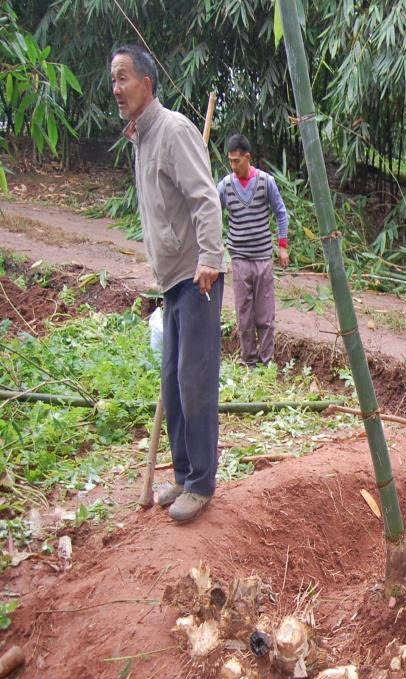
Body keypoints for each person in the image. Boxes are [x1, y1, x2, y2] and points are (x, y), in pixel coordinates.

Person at [110, 44, 225, 522]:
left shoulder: (174, 130)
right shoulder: (142, 138)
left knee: (194, 382)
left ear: (146, 84)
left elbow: (205, 200)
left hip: (198, 275)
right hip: (171, 280)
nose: (116, 89)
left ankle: (201, 484)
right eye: (113, 81)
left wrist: (211, 257)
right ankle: (181, 474)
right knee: (172, 383)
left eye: (123, 78)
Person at [217, 135, 289, 366]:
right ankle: (248, 360)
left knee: (265, 313)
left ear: (248, 157)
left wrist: (283, 247)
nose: (233, 165)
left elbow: (281, 213)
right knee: (243, 313)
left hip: (262, 257)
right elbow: (211, 213)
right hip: (239, 257)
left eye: (237, 160)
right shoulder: (225, 186)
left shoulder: (266, 182)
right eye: (230, 161)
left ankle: (267, 361)